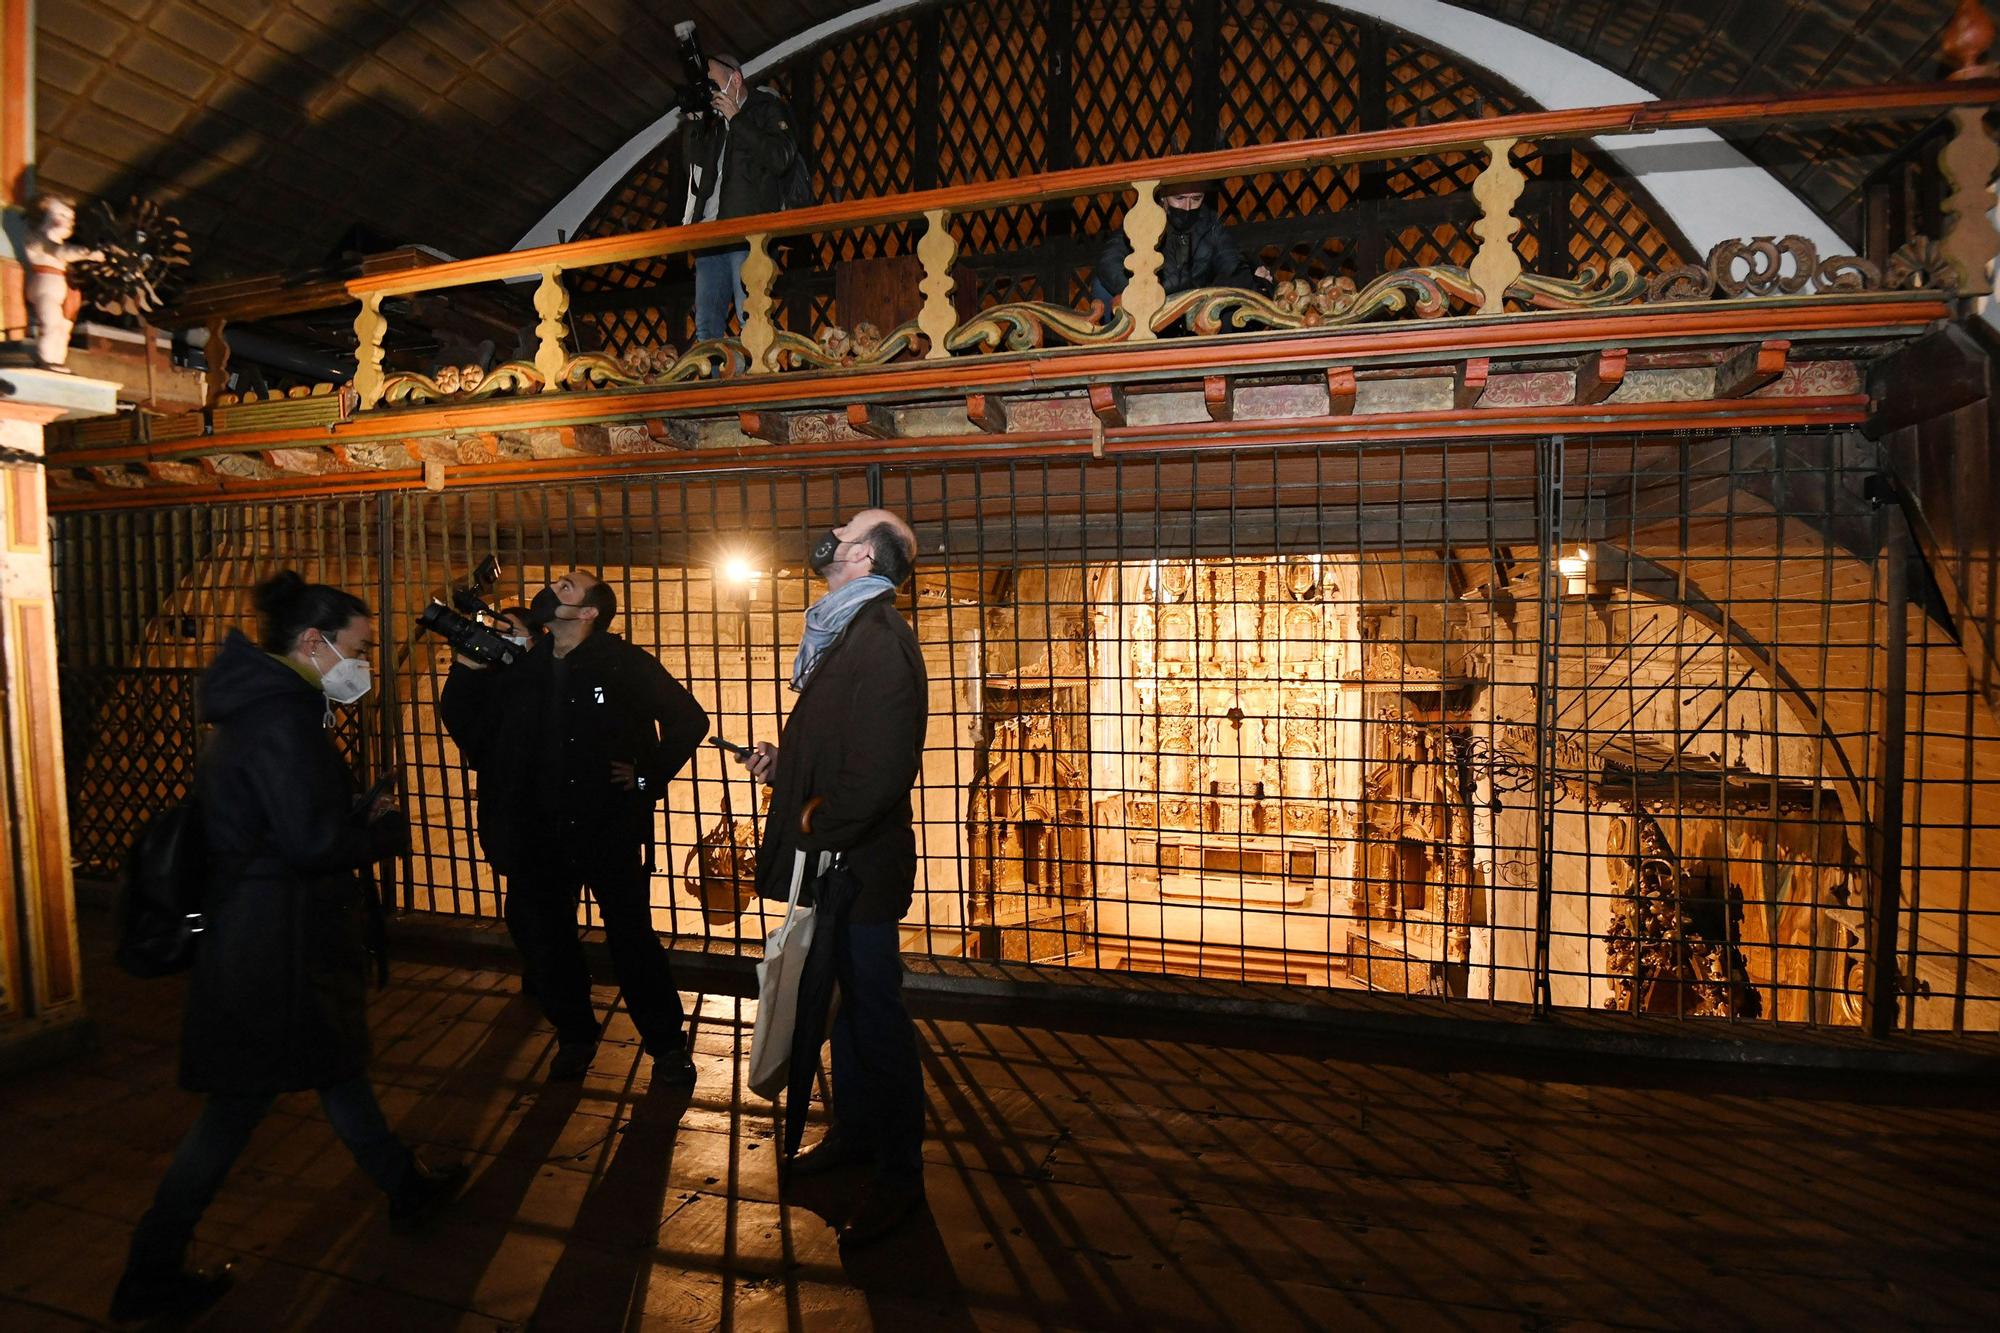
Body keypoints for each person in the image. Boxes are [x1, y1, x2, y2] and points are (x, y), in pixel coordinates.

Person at [112, 572, 465, 1324]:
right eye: (356, 648)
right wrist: (379, 830)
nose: (361, 663)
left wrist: (347, 808)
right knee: (236, 1110)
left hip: (269, 934)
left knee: (334, 1071)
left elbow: (283, 818)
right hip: (276, 945)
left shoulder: (265, 708)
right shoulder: (283, 718)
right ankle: (150, 1268)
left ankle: (406, 1185)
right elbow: (307, 841)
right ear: (313, 642)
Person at [733, 508, 929, 1248]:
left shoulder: (880, 640)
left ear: (866, 557)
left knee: (876, 1012)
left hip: (860, 868)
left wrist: (814, 817)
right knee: (849, 1007)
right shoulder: (846, 632)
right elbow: (843, 747)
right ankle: (856, 1134)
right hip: (841, 865)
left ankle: (901, 1172)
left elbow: (880, 772)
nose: (834, 534)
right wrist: (788, 772)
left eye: (849, 529)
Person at [441, 571, 710, 1084]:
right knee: (549, 941)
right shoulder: (523, 666)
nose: (552, 588)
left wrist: (648, 773)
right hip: (536, 830)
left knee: (631, 940)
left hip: (604, 826)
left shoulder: (623, 662)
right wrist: (467, 671)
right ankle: (575, 1037)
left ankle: (667, 1047)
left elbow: (687, 720)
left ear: (589, 613)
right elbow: (472, 730)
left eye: (567, 587)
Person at [676, 50, 806, 342]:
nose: (708, 93)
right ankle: (720, 383)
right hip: (710, 234)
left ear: (735, 79)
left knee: (752, 315)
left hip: (747, 233)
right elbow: (694, 174)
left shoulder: (766, 108)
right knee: (707, 325)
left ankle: (756, 383)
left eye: (712, 83)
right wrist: (696, 126)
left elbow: (780, 157)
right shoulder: (713, 122)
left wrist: (737, 118)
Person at [1091, 185, 1270, 320]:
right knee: (1102, 285)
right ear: (1163, 197)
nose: (1187, 207)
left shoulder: (1210, 227)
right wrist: (1143, 294)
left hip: (1191, 316)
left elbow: (1230, 265)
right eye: (1179, 198)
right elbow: (1109, 261)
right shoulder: (1143, 221)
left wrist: (1257, 283)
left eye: (1196, 199)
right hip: (1144, 313)